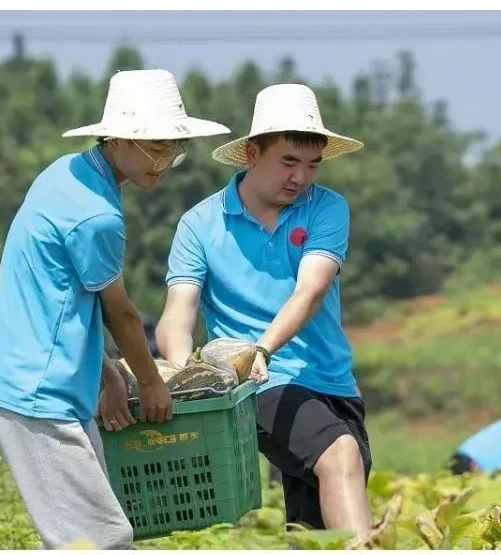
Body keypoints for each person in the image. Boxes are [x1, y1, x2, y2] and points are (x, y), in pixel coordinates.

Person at [0, 69, 230, 549]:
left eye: (173, 147)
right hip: (36, 395)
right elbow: (121, 314)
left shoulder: (67, 173)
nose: (165, 162)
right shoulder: (97, 215)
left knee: (84, 537)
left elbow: (61, 298)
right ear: (116, 138)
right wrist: (150, 382)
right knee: (102, 541)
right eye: (154, 147)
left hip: (38, 380)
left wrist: (106, 369)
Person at [154, 84, 372, 541]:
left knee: (313, 520)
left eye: (312, 165)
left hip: (331, 379)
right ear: (253, 153)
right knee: (340, 454)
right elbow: (178, 313)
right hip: (255, 382)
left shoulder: (326, 208)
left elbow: (310, 291)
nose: (300, 178)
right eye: (288, 162)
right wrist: (179, 375)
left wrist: (264, 346)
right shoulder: (201, 224)